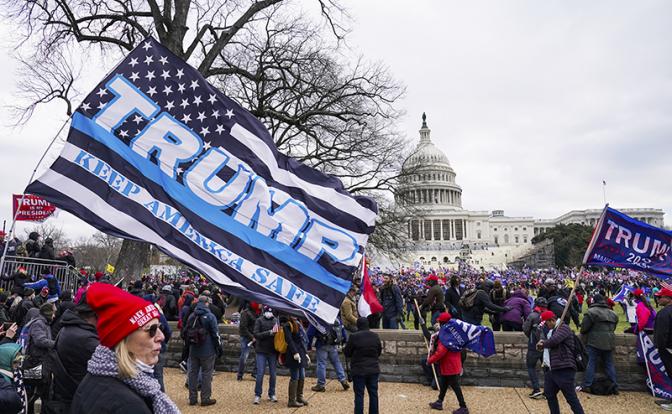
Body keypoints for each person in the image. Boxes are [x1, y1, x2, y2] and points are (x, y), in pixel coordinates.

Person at [70, 283, 179, 414]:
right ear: (123, 339)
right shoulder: (129, 405)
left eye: (159, 327)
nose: (161, 336)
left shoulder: (97, 376)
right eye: (152, 330)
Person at [49, 297, 100, 413]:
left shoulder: (71, 328)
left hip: (68, 399)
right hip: (74, 403)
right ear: (96, 315)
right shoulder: (85, 339)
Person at [537, 311, 585, 414]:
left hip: (564, 367)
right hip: (552, 369)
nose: (546, 326)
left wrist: (543, 344)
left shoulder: (563, 328)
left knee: (571, 398)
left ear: (552, 320)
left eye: (546, 323)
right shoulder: (553, 330)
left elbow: (554, 341)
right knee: (549, 394)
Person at [427, 312, 468, 413]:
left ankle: (463, 407)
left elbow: (441, 351)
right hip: (452, 363)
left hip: (449, 365)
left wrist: (430, 360)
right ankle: (439, 402)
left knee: (455, 386)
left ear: (441, 322)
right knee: (444, 383)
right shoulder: (454, 332)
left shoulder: (445, 334)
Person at [578, 293, 618, 394]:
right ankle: (614, 386)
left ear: (593, 301)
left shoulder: (591, 312)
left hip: (594, 341)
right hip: (609, 341)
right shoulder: (613, 313)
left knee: (591, 363)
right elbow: (614, 328)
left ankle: (587, 384)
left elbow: (584, 329)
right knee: (609, 364)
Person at [185, 295, 219, 406]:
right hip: (207, 349)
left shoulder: (192, 315)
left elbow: (185, 331)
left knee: (192, 373)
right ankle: (205, 398)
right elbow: (215, 333)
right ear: (207, 303)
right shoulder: (210, 316)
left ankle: (192, 398)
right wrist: (218, 347)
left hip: (193, 348)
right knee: (206, 374)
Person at [343, 317, 382, 414]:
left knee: (359, 395)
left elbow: (347, 353)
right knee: (373, 394)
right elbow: (379, 351)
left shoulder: (354, 336)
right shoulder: (375, 336)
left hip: (359, 370)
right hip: (373, 369)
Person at [307, 319, 349, 392]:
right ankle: (343, 380)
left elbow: (309, 334)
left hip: (321, 344)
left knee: (321, 364)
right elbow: (342, 330)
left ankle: (321, 385)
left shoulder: (317, 318)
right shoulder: (336, 317)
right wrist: (344, 341)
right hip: (333, 344)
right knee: (336, 363)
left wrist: (308, 346)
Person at [522, 297, 547, 399]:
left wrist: (532, 337)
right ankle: (548, 390)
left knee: (531, 367)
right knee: (547, 369)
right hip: (547, 345)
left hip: (534, 345)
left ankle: (536, 389)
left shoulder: (532, 315)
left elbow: (525, 329)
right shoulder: (549, 316)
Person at [281, 315, 309, 407]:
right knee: (295, 377)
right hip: (293, 354)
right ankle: (291, 400)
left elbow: (301, 340)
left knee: (302, 376)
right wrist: (295, 353)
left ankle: (299, 397)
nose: (294, 315)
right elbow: (289, 340)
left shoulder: (298, 323)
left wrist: (305, 353)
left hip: (300, 353)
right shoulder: (287, 325)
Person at [253, 306, 278, 404]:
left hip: (272, 351)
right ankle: (257, 394)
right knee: (260, 374)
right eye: (267, 311)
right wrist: (269, 333)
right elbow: (256, 334)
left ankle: (272, 393)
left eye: (270, 312)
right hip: (261, 351)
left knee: (273, 374)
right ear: (264, 312)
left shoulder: (276, 320)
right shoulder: (259, 320)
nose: (269, 313)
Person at [654, 287, 672, 409]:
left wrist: (659, 348)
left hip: (668, 349)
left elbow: (661, 335)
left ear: (668, 299)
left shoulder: (664, 313)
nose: (658, 299)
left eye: (660, 297)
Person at [0, 343, 23, 414]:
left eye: (20, 360)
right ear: (6, 361)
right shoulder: (2, 378)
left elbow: (31, 375)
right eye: (16, 361)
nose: (19, 364)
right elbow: (11, 399)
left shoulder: (16, 373)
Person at [237, 301, 257, 381]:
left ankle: (255, 373)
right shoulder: (245, 313)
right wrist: (251, 337)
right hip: (246, 336)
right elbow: (243, 327)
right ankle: (240, 374)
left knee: (259, 355)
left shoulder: (259, 312)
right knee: (244, 356)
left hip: (255, 336)